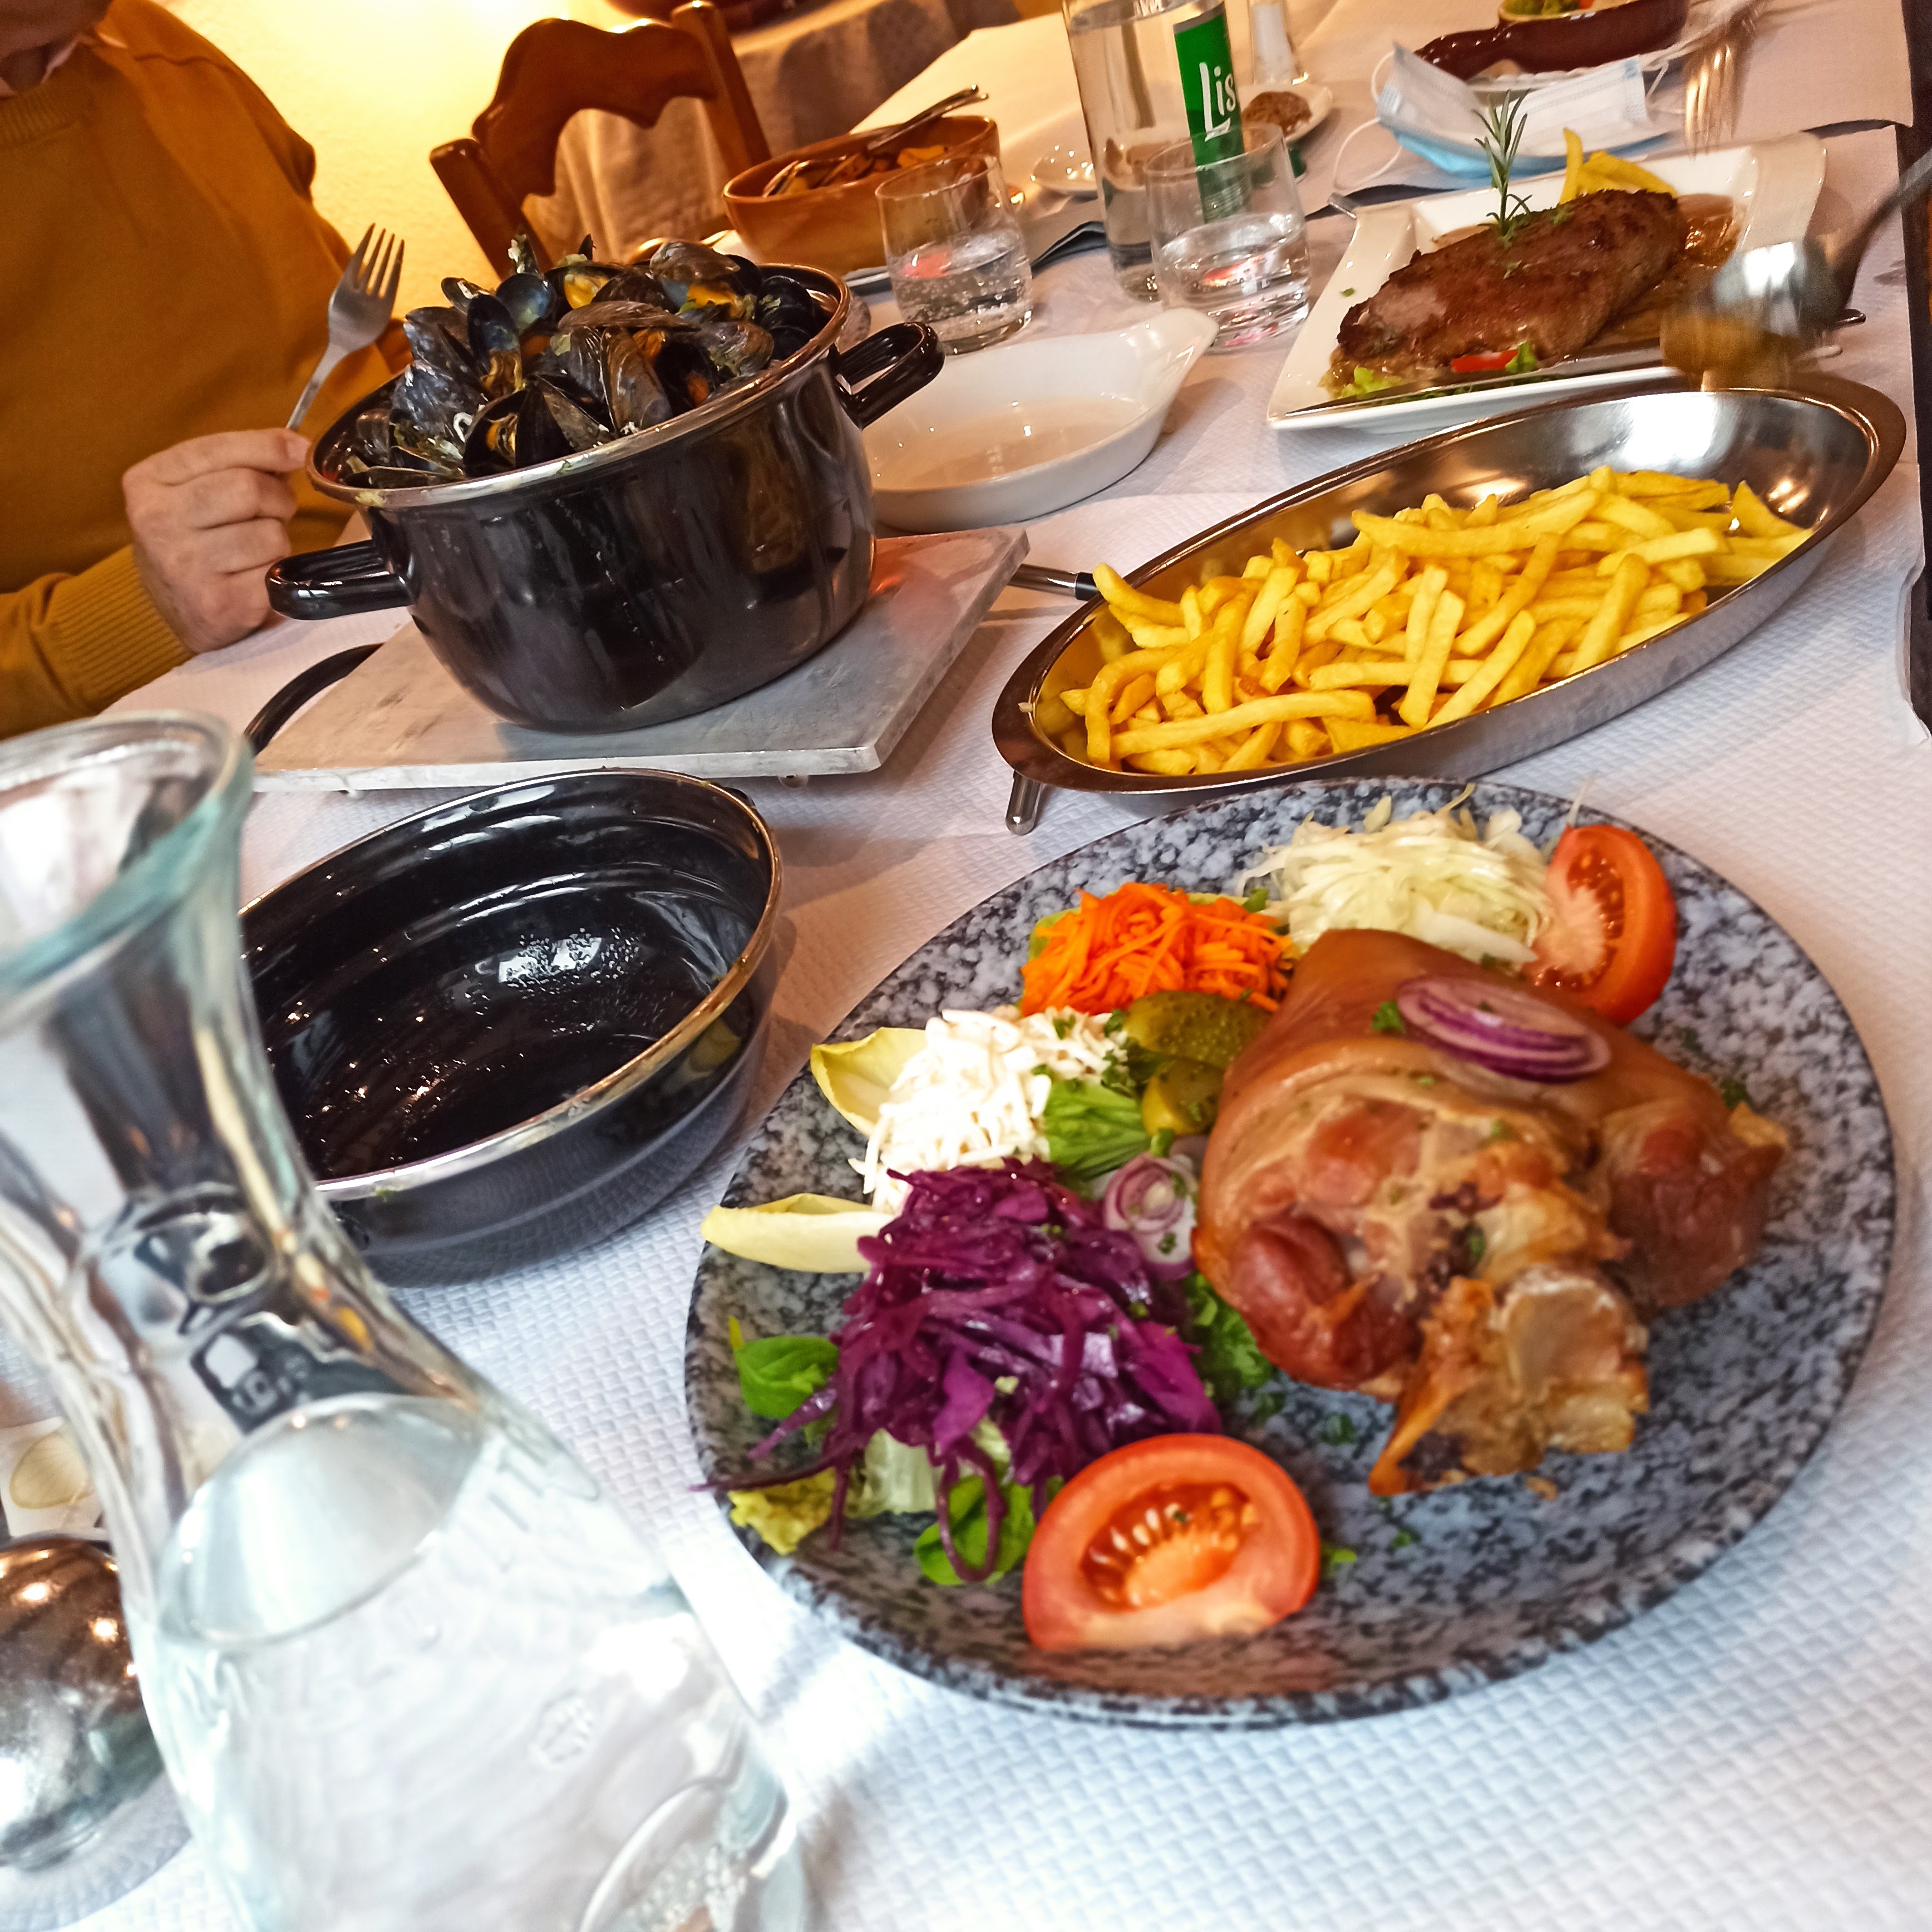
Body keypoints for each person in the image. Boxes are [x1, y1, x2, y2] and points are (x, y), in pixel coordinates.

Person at [1, 0, 402, 737]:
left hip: (414, 594)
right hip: (163, 740)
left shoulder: (159, 45)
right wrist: (136, 609)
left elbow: (361, 341)